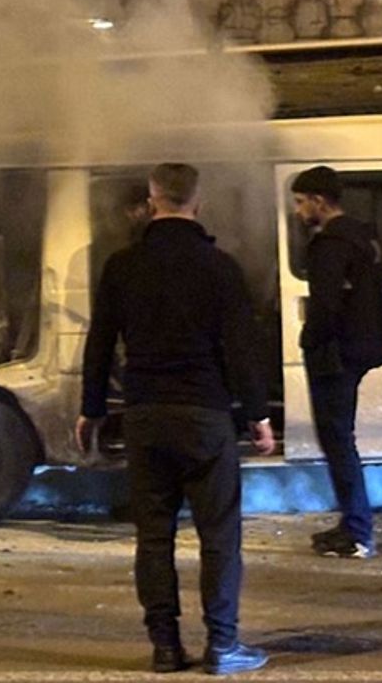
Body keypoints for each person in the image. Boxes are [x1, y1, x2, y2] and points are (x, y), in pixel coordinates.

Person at [76, 163, 276, 676]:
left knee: (154, 537)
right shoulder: (220, 267)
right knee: (219, 537)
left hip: (145, 415)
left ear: (152, 200)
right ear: (197, 202)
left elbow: (100, 343)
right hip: (205, 415)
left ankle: (165, 647)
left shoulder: (123, 266)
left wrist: (91, 409)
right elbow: (242, 347)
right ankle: (223, 645)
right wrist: (257, 415)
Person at [290, 166, 382, 559]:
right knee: (340, 439)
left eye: (301, 202)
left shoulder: (329, 244)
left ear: (319, 201)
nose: (299, 211)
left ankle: (357, 531)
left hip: (334, 355)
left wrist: (309, 339)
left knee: (336, 438)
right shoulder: (364, 237)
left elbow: (326, 305)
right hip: (359, 348)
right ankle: (352, 523)